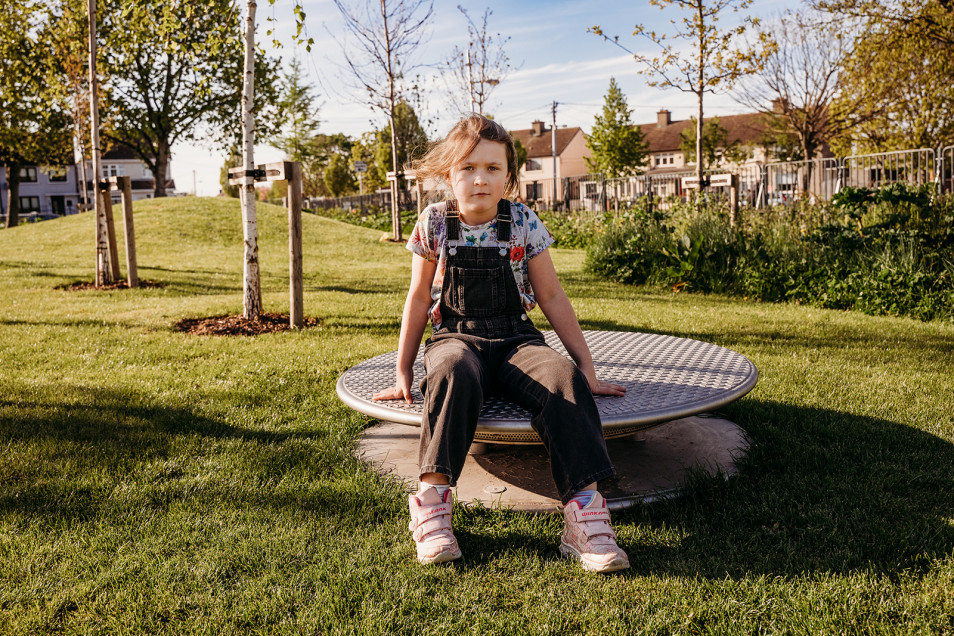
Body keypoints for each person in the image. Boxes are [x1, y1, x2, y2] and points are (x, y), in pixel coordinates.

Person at [373, 114, 629, 573]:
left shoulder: (522, 220)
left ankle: (585, 515)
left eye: (493, 169)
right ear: (449, 173)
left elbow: (550, 295)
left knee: (562, 379)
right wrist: (402, 370)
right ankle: (432, 506)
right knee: (452, 370)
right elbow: (417, 299)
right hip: (456, 336)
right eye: (467, 168)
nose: (480, 179)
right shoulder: (434, 222)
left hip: (516, 338)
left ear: (508, 175)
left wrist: (586, 367)